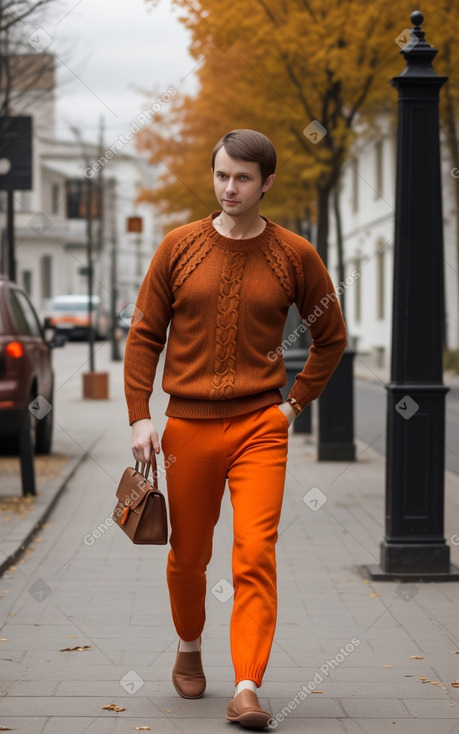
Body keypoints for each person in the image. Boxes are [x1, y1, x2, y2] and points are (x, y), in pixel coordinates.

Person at [124, 128, 347, 730]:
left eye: (243, 177)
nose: (230, 187)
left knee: (255, 554)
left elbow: (331, 337)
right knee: (188, 557)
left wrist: (292, 407)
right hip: (187, 429)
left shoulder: (294, 254)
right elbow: (144, 333)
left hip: (260, 427)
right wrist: (140, 416)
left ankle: (247, 685)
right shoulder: (178, 247)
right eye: (222, 174)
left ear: (266, 182)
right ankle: (190, 645)